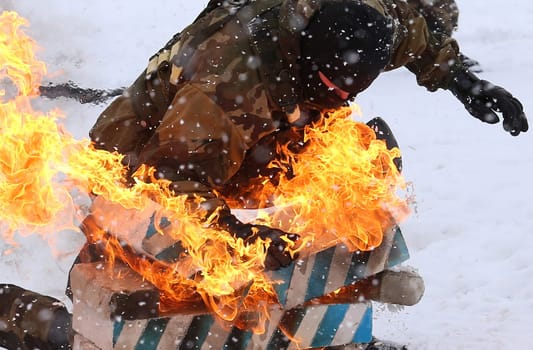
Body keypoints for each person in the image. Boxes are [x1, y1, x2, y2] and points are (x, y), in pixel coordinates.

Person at [1, 0, 528, 349]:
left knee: (352, 165)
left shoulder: (364, 26)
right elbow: (177, 181)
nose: (342, 99)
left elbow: (418, 37)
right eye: (330, 85)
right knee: (151, 290)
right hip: (147, 158)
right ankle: (26, 315)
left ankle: (315, 313)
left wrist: (469, 85)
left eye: (352, 91)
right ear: (305, 56)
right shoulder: (227, 83)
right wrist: (241, 237)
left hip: (263, 136)